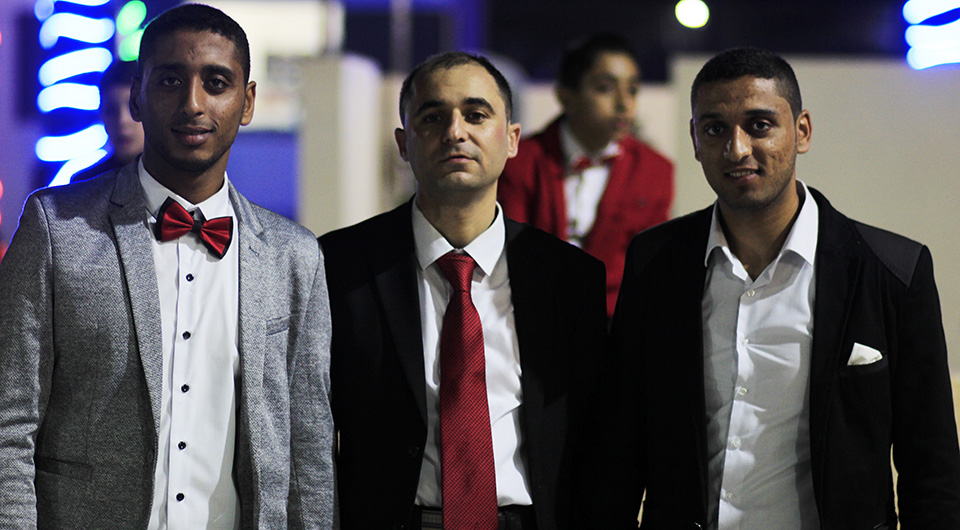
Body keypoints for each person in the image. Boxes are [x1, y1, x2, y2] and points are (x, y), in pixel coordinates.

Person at [582, 47, 960, 528]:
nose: (737, 149)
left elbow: (932, 469)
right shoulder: (654, 262)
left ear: (802, 131)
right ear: (695, 139)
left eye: (759, 125)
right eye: (715, 129)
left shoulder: (893, 271)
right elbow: (618, 448)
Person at [0, 4, 335, 529]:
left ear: (247, 102)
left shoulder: (293, 256)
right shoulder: (57, 229)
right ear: (137, 94)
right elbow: (9, 422)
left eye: (216, 83)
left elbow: (309, 448)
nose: (193, 103)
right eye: (171, 81)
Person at [320, 51, 607, 530]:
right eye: (433, 117)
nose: (455, 132)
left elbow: (597, 439)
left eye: (476, 115)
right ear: (404, 143)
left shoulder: (569, 278)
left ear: (511, 139)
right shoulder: (340, 266)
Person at [498, 34, 674, 317]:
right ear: (566, 97)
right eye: (605, 88)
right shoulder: (521, 161)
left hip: (614, 320)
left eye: (632, 90)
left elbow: (650, 266)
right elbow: (513, 253)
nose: (624, 103)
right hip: (534, 313)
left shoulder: (655, 170)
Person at [72, 59, 145, 182]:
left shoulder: (177, 178)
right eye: (111, 110)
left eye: (133, 107)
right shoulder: (85, 184)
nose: (122, 120)